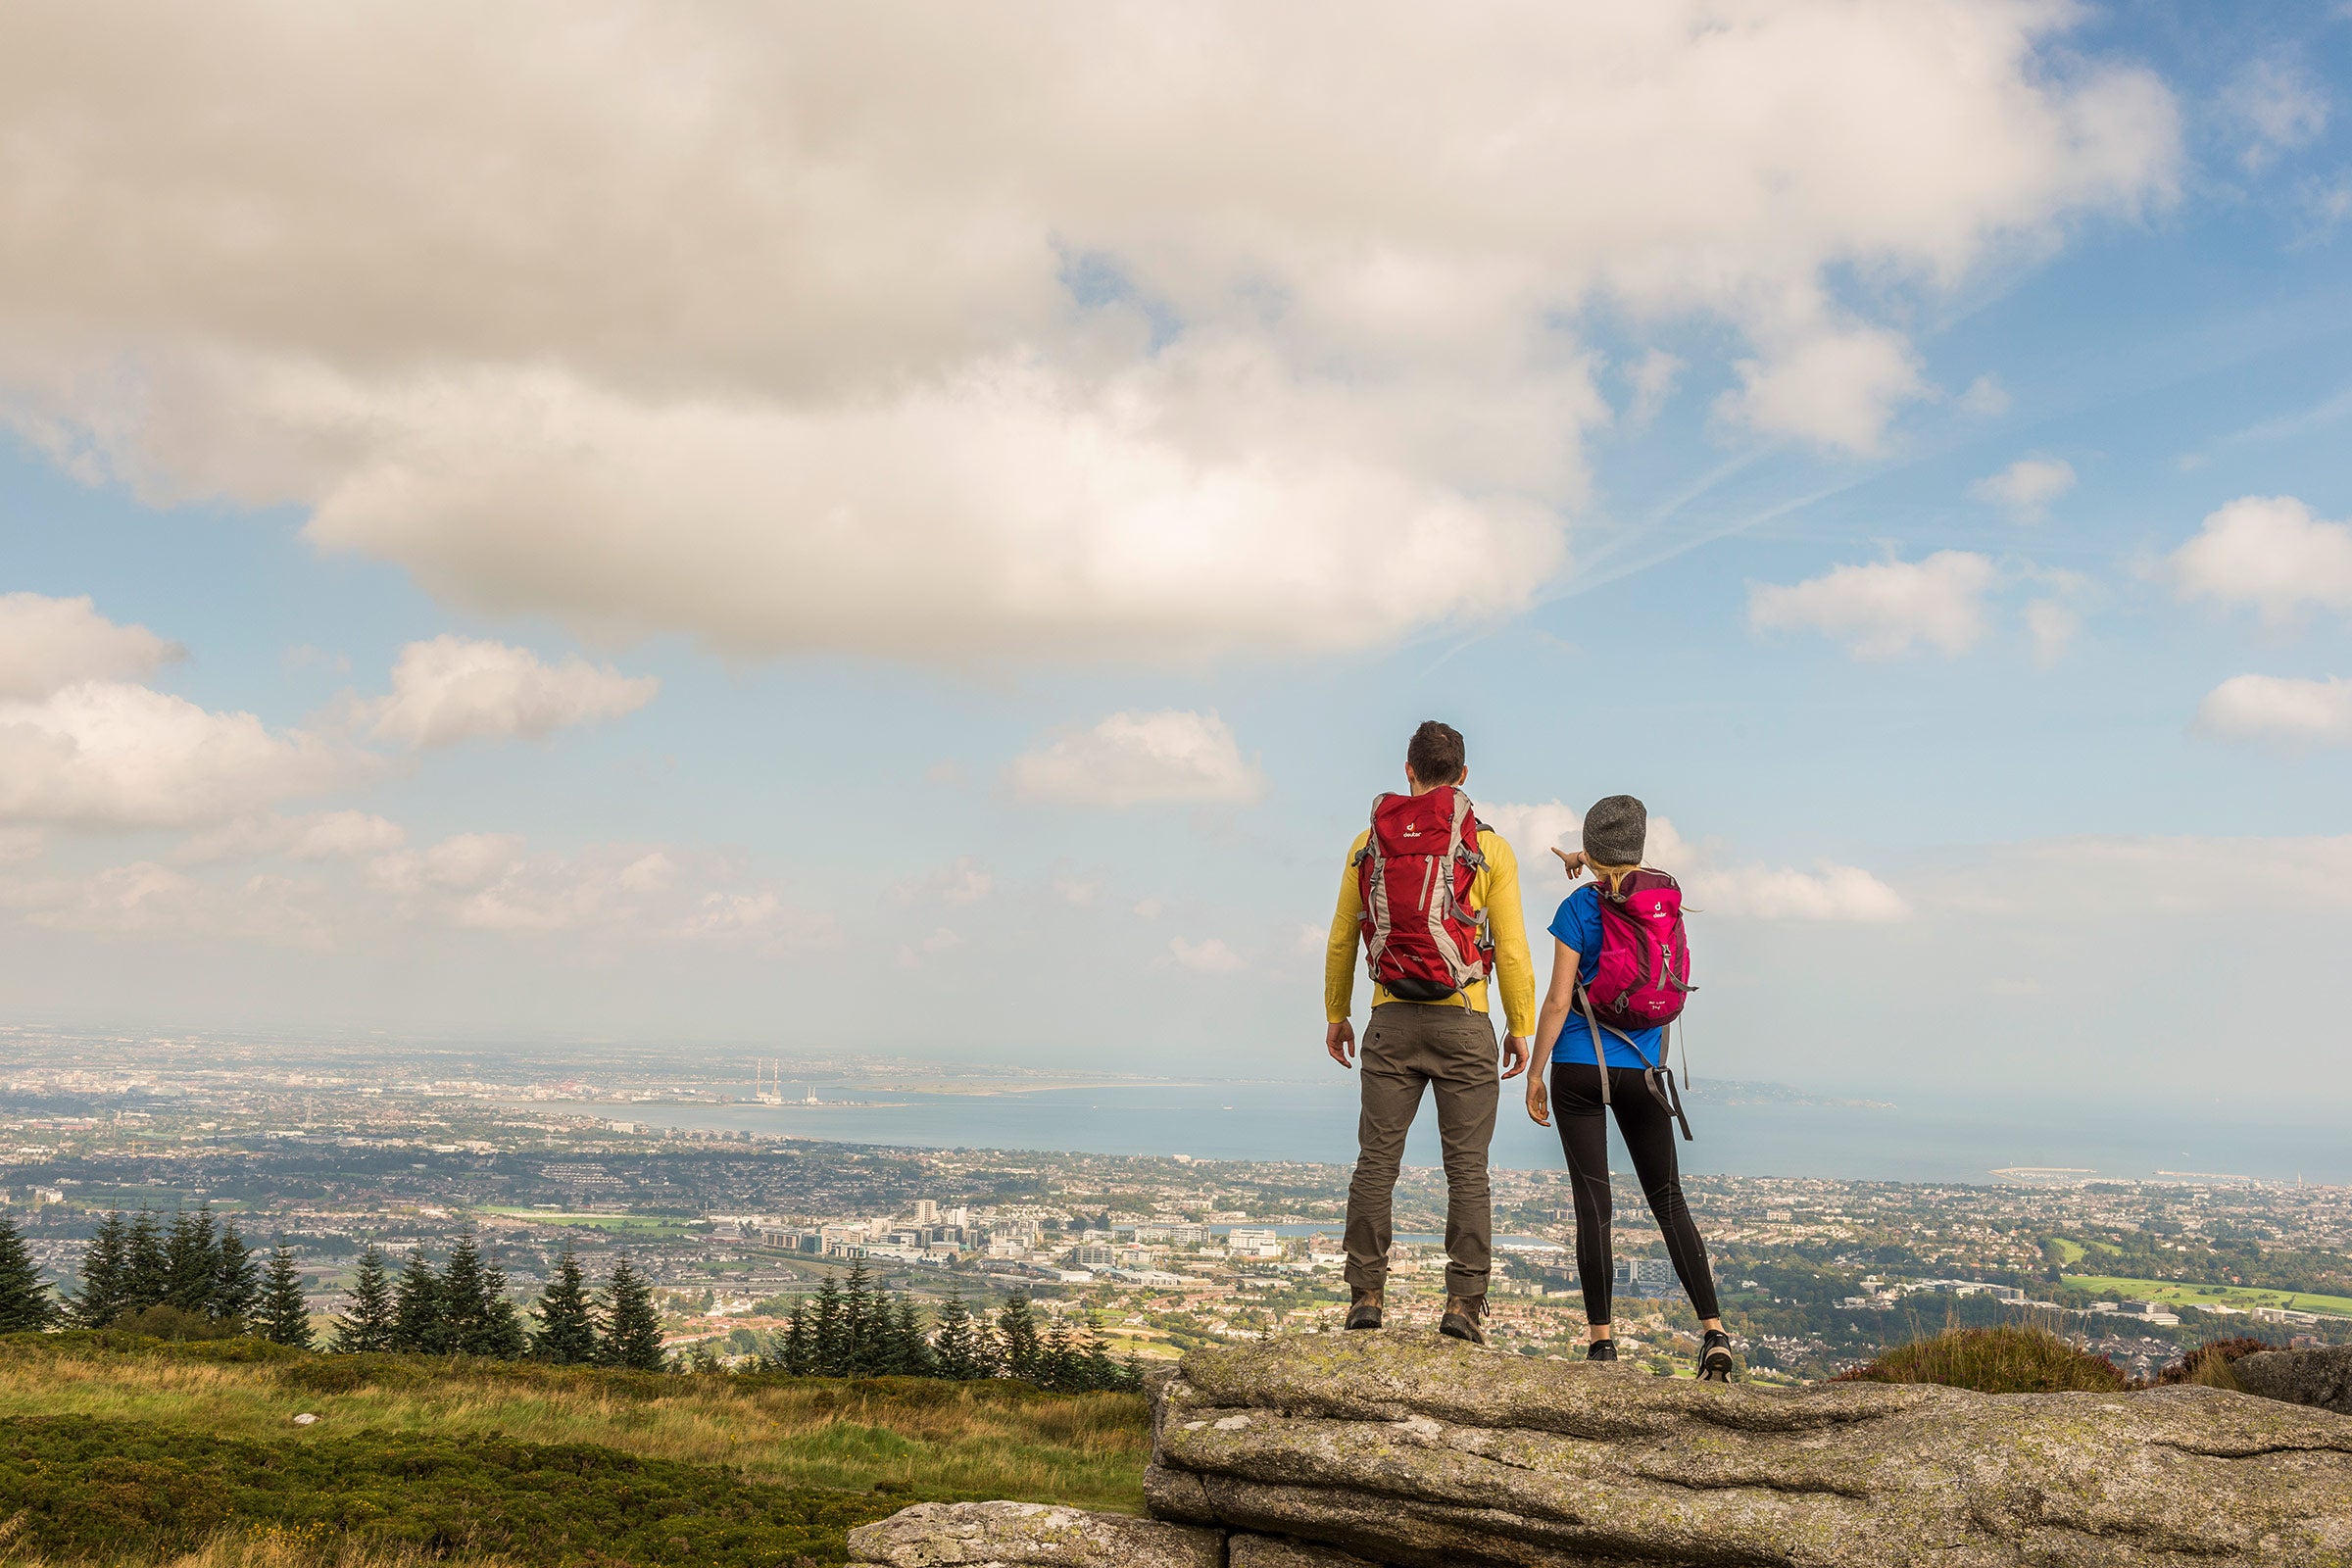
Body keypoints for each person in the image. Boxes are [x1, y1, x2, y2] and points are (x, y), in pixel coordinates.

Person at [1324, 720, 1535, 1346]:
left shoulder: (1367, 845)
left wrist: (1338, 1013)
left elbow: (1343, 935)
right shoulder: (1489, 850)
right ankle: (1464, 1306)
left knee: (1376, 1162)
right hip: (1465, 1019)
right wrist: (1519, 1026)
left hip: (1388, 1020)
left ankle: (1366, 1296)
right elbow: (1515, 949)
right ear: (1463, 776)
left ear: (1408, 770)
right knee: (1467, 1169)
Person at [1524, 794, 1735, 1380]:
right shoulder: (1663, 906)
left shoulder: (1577, 909)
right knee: (1668, 1200)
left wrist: (1536, 1073)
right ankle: (1714, 1333)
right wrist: (1587, 857)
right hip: (1643, 1070)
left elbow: (1559, 999)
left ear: (1592, 853)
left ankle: (1602, 1345)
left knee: (1594, 1206)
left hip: (1577, 1069)